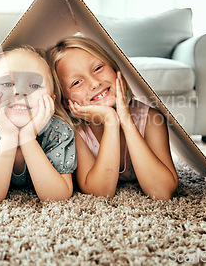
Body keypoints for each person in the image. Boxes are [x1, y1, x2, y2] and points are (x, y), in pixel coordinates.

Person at [47, 36, 178, 200]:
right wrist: (110, 120)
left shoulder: (150, 118)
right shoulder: (74, 132)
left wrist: (125, 119)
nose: (94, 83)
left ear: (115, 69)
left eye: (98, 68)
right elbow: (101, 192)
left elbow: (162, 191)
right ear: (67, 102)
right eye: (77, 82)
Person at [0, 46, 76, 205]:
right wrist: (8, 137)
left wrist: (27, 138)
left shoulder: (58, 131)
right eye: (6, 83)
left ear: (51, 101)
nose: (19, 91)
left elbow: (57, 196)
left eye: (34, 86)